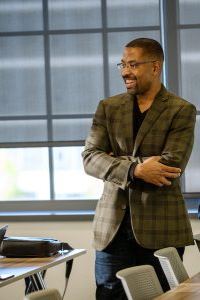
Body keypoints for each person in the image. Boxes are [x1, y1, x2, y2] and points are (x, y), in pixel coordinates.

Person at [81, 37, 196, 300]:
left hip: (161, 227)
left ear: (155, 67)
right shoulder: (108, 108)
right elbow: (90, 158)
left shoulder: (181, 110)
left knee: (166, 297)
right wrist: (135, 170)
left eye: (133, 64)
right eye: (122, 64)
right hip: (112, 229)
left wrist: (115, 161)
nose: (124, 71)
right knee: (110, 295)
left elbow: (171, 165)